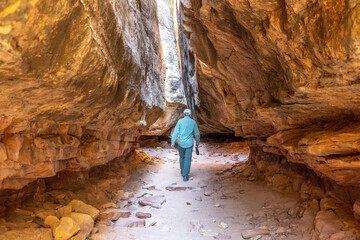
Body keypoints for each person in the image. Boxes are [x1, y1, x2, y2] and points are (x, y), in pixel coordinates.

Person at [171, 109, 200, 181]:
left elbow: (175, 133)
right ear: (190, 115)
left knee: (181, 157)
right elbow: (197, 133)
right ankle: (185, 175)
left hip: (181, 143)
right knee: (187, 159)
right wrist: (197, 142)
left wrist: (173, 142)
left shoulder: (180, 121)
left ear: (184, 114)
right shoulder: (193, 122)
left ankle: (182, 171)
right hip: (189, 144)